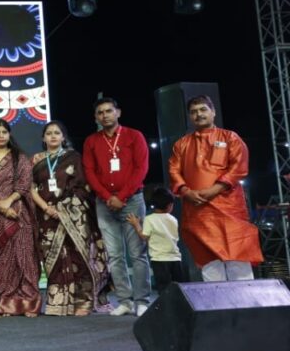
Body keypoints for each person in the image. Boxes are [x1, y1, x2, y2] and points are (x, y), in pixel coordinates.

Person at [168, 95, 263, 281]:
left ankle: (244, 300)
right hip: (199, 211)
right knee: (210, 264)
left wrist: (214, 190)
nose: (199, 114)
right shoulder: (181, 144)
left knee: (237, 259)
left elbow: (239, 168)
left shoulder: (230, 138)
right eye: (194, 112)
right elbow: (174, 170)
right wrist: (186, 191)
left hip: (229, 209)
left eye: (203, 109)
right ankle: (216, 301)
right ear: (190, 117)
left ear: (213, 112)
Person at [30, 121, 110, 316]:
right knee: (54, 258)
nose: (53, 136)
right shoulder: (36, 160)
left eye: (57, 133)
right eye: (49, 133)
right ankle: (57, 302)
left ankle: (83, 301)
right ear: (43, 138)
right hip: (46, 215)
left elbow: (82, 186)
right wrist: (47, 208)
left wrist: (63, 208)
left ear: (63, 137)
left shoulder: (73, 157)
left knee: (78, 256)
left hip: (73, 214)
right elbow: (31, 188)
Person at [82, 97, 151, 316]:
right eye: (100, 113)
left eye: (108, 111)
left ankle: (142, 300)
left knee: (137, 253)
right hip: (104, 203)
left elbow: (141, 168)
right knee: (115, 255)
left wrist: (121, 196)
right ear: (96, 117)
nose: (105, 115)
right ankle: (125, 301)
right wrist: (107, 197)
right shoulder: (91, 141)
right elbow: (89, 172)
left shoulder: (134, 136)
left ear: (118, 113)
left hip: (132, 201)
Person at [0, 118, 41, 317]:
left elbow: (24, 183)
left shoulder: (19, 158)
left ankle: (29, 303)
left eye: (4, 132)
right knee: (2, 259)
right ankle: (4, 302)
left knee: (24, 256)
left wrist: (9, 201)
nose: (1, 136)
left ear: (9, 135)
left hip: (19, 212)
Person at [126, 187, 184, 292]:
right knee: (179, 288)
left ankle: (165, 303)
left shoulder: (149, 219)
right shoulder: (173, 219)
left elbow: (144, 236)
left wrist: (136, 224)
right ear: (169, 206)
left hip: (159, 260)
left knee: (163, 288)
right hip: (176, 258)